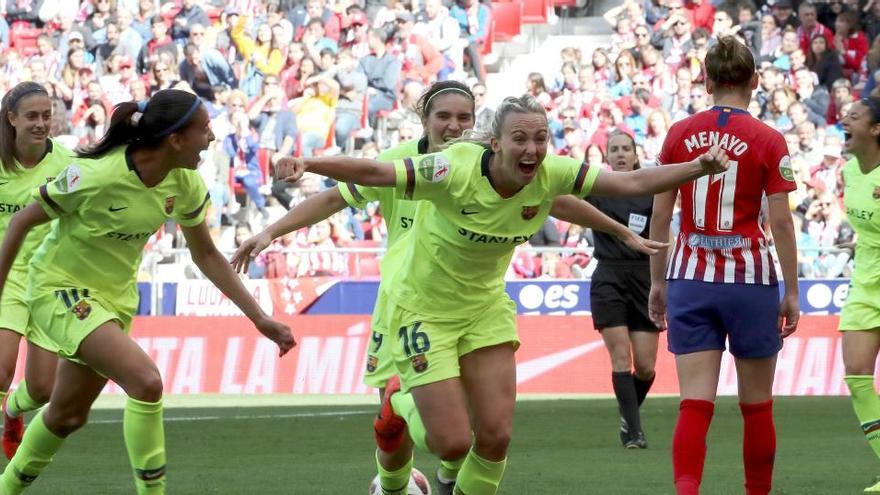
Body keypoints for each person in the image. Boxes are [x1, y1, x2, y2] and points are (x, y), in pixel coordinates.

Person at [273, 93, 728, 495]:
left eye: (541, 138)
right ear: (495, 142)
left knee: (494, 437)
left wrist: (696, 168)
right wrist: (308, 164)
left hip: (485, 309)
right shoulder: (450, 168)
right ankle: (396, 400)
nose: (532, 149)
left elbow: (626, 183)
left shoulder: (548, 173)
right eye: (520, 139)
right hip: (424, 309)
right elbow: (372, 172)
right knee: (450, 442)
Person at [0, 89, 295, 494]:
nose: (211, 138)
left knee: (66, 416)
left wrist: (260, 318)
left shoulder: (186, 184)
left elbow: (206, 255)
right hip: (60, 289)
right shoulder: (97, 174)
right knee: (146, 381)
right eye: (204, 129)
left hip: (115, 301)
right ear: (175, 139)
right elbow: (20, 224)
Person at [648, 37, 799, 495]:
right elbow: (782, 221)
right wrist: (791, 291)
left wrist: (658, 282)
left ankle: (687, 490)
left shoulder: (679, 133)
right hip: (750, 281)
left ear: (707, 80)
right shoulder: (769, 140)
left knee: (694, 404)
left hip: (690, 277)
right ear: (754, 80)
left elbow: (659, 214)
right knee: (757, 407)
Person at [0, 83, 73, 461]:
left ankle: (12, 410)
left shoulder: (66, 163)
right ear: (11, 118)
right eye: (32, 116)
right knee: (0, 369)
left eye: (46, 115)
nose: (42, 123)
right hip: (5, 275)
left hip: (48, 279)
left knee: (43, 388)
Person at [588, 131, 659, 450]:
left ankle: (626, 416)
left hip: (644, 278)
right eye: (613, 149)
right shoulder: (596, 188)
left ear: (635, 153)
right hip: (608, 277)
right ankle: (634, 431)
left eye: (625, 149)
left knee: (645, 367)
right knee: (621, 358)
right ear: (606, 155)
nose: (619, 154)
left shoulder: (650, 189)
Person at [838, 95, 880, 493]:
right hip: (866, 283)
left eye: (854, 116)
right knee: (856, 375)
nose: (844, 120)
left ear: (876, 128)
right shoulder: (850, 171)